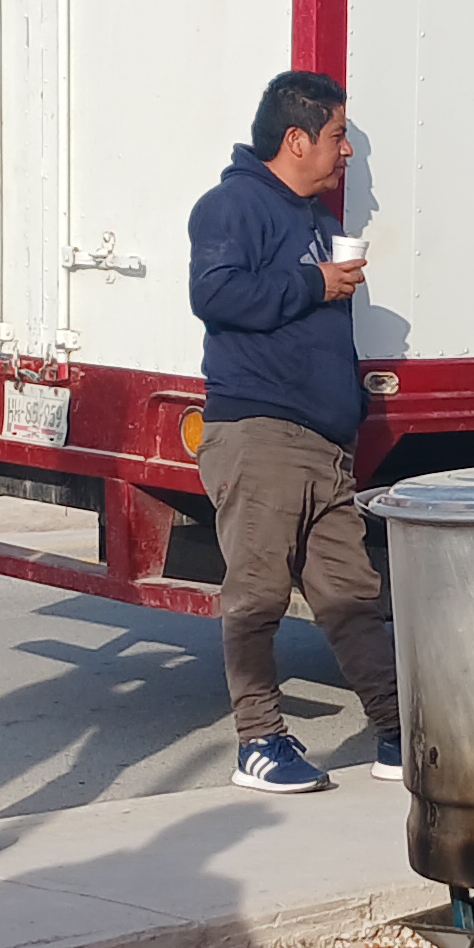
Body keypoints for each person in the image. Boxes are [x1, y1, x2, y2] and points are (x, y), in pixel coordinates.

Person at [186, 67, 402, 794]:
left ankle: (400, 734)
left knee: (352, 597)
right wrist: (315, 285)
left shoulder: (320, 224)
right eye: (338, 137)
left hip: (323, 445)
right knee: (256, 593)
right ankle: (259, 740)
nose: (346, 154)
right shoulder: (232, 206)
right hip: (260, 430)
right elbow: (214, 294)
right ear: (296, 138)